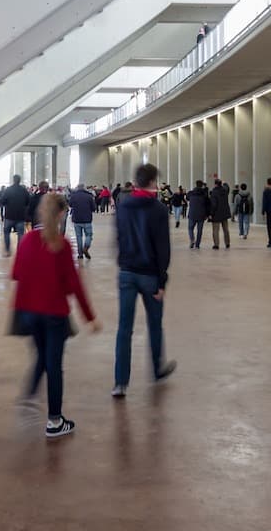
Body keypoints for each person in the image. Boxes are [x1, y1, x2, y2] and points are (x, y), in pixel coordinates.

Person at [12, 192, 99, 437]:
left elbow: (17, 274)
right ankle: (54, 420)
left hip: (30, 312)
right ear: (62, 214)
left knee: (42, 355)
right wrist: (90, 317)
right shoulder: (61, 244)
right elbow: (74, 285)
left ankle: (29, 393)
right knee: (54, 365)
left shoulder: (27, 240)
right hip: (53, 314)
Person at [112, 162, 178, 398]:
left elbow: (118, 238)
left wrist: (123, 262)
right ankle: (157, 369)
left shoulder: (123, 205)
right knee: (154, 324)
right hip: (150, 275)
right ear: (151, 183)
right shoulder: (158, 209)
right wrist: (162, 281)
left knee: (124, 329)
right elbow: (163, 249)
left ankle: (120, 382)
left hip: (127, 272)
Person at [0, 174, 32, 254]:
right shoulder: (24, 190)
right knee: (20, 234)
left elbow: (2, 201)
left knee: (7, 233)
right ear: (19, 180)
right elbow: (28, 202)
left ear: (13, 180)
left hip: (9, 216)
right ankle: (19, 252)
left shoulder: (8, 190)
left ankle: (7, 250)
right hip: (20, 216)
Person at [67, 180, 97, 262]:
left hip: (76, 219)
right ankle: (86, 247)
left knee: (78, 237)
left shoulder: (73, 196)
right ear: (84, 188)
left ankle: (80, 254)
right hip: (87, 219)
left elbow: (70, 204)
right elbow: (94, 208)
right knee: (89, 235)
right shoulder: (89, 196)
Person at [208, 176, 232, 250]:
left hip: (216, 214)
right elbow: (227, 187)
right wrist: (225, 183)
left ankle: (216, 244)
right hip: (224, 213)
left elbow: (213, 205)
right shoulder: (225, 191)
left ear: (215, 184)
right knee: (226, 229)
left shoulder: (214, 192)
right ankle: (227, 243)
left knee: (215, 230)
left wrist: (211, 214)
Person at [186, 179, 210, 250]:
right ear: (202, 185)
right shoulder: (205, 195)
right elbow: (208, 205)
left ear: (196, 184)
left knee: (190, 228)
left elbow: (187, 197)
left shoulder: (191, 193)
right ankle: (197, 244)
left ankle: (192, 239)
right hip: (201, 214)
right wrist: (208, 214)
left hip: (192, 213)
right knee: (199, 230)